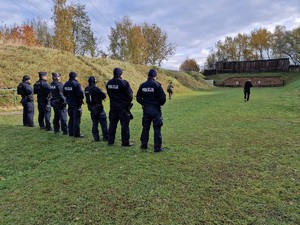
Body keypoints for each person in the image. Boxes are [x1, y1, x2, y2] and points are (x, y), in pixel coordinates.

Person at [136, 69, 166, 152]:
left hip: (146, 109)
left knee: (145, 127)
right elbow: (163, 98)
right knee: (157, 128)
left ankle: (143, 145)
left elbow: (138, 97)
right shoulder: (157, 85)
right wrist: (159, 103)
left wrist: (144, 103)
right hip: (155, 109)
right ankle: (157, 148)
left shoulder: (142, 85)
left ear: (148, 76)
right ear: (155, 76)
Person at [106, 67, 133, 147]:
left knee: (112, 124)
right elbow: (130, 96)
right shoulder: (124, 83)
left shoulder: (109, 83)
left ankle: (110, 141)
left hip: (113, 106)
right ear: (121, 74)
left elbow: (109, 94)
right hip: (123, 107)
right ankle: (125, 142)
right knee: (124, 125)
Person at [85, 76, 108, 142]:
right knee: (103, 123)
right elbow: (103, 96)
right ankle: (105, 137)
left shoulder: (86, 89)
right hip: (99, 108)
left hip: (91, 108)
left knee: (94, 123)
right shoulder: (96, 89)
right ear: (94, 82)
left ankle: (96, 138)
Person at [63, 72, 84, 138]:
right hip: (76, 104)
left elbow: (64, 93)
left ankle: (71, 132)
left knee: (71, 118)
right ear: (75, 77)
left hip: (69, 103)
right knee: (76, 119)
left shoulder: (66, 84)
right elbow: (81, 94)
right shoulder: (76, 84)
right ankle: (76, 134)